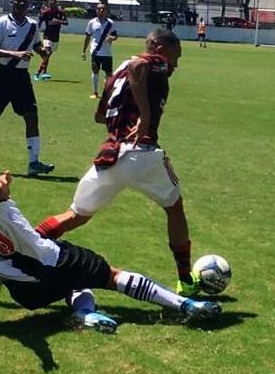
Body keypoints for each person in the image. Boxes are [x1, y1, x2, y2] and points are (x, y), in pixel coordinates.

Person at [0, 131, 221, 334]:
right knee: (111, 275)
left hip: (23, 292)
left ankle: (84, 313)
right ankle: (186, 305)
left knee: (74, 284)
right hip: (50, 259)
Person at [35, 29, 201, 296]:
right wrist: (144, 116)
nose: (175, 64)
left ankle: (23, 247)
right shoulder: (150, 62)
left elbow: (100, 116)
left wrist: (127, 112)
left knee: (75, 216)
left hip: (110, 156)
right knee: (174, 207)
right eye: (175, 56)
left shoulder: (117, 73)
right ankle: (186, 278)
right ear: (159, 48)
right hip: (141, 153)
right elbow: (138, 66)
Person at [0, 0, 55, 177]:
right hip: (2, 76)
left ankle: (33, 162)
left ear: (29, 4)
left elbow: (35, 44)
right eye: (18, 1)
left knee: (31, 116)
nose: (21, 4)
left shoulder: (32, 25)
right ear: (12, 2)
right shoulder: (1, 23)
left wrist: (41, 51)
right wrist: (14, 54)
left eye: (24, 1)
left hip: (21, 77)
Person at [82, 2, 118, 99]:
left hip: (107, 53)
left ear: (106, 11)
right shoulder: (92, 23)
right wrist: (84, 51)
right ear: (96, 10)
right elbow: (87, 37)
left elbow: (115, 36)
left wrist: (112, 38)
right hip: (95, 52)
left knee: (109, 74)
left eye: (103, 9)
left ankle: (107, 93)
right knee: (95, 71)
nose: (101, 10)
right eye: (99, 9)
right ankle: (95, 92)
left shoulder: (111, 23)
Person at [34, 0, 68, 81]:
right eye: (51, 0)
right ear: (49, 2)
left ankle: (44, 73)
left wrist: (58, 21)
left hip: (56, 37)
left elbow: (66, 22)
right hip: (47, 36)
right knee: (46, 54)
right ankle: (38, 73)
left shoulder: (61, 12)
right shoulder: (46, 12)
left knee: (47, 56)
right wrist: (36, 31)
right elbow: (40, 21)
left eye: (54, 0)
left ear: (56, 2)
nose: (52, 2)